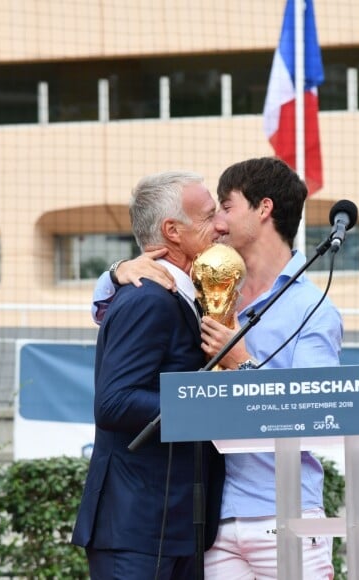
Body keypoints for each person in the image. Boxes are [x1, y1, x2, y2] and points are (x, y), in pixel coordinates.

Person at [93, 157, 342, 579]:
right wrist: (117, 272)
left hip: (283, 510)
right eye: (212, 214)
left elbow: (315, 416)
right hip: (212, 522)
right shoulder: (206, 288)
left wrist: (241, 361)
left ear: (263, 210)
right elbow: (123, 311)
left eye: (225, 208)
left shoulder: (314, 309)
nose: (219, 223)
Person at [71, 170, 225, 580]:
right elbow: (114, 403)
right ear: (172, 230)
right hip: (137, 530)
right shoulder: (147, 298)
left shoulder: (182, 293)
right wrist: (209, 406)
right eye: (209, 217)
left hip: (174, 526)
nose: (221, 226)